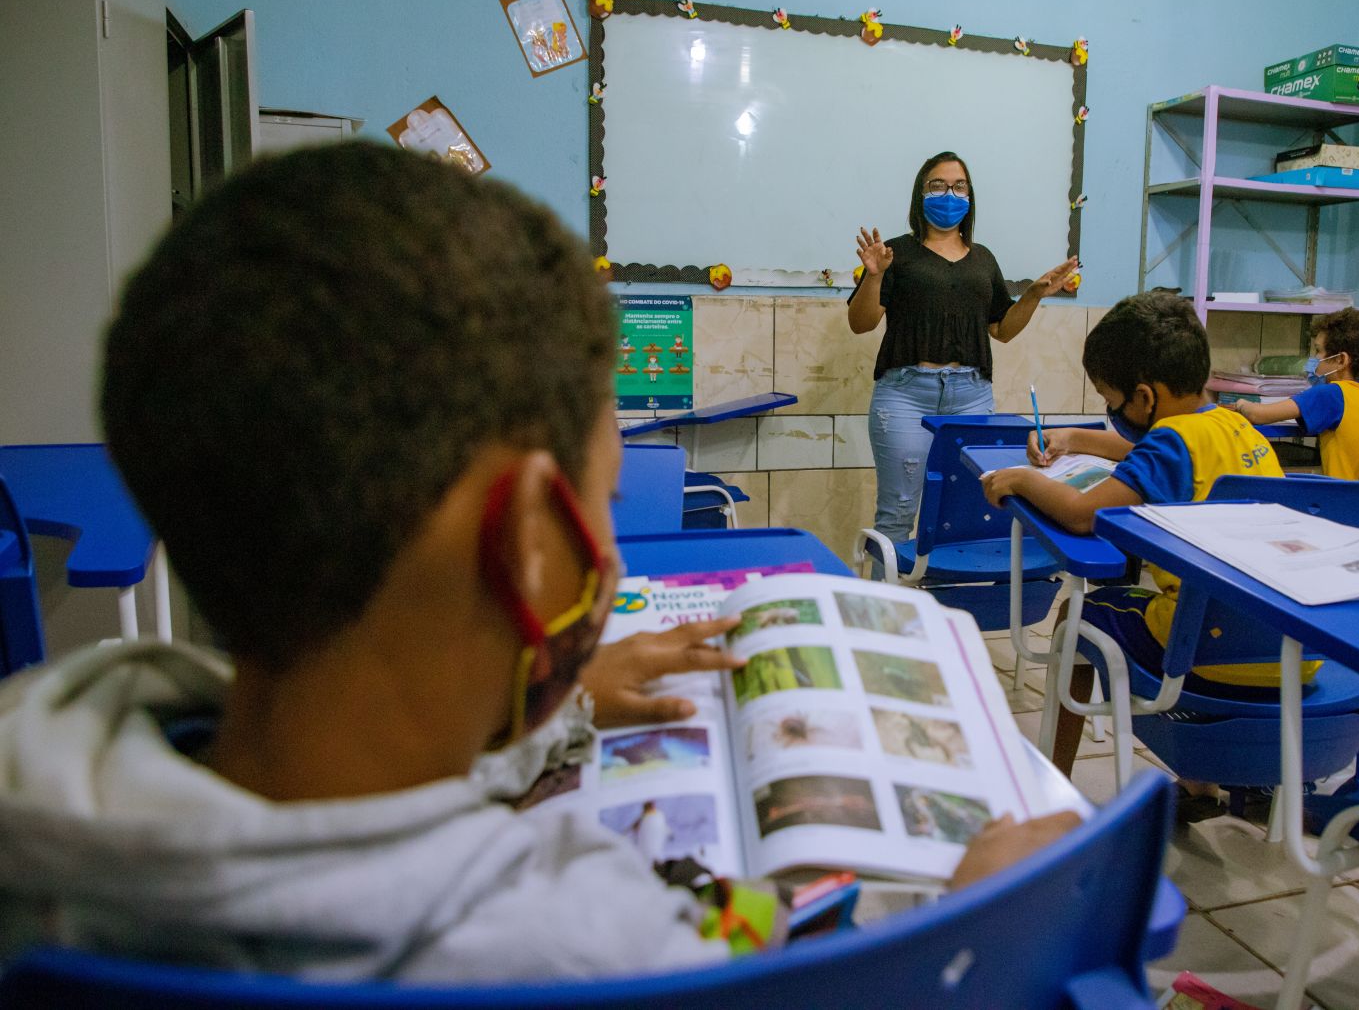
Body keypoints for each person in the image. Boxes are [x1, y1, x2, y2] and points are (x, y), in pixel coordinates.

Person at [0, 142, 1078, 983]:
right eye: (604, 497)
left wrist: (555, 713)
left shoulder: (44, 798)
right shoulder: (584, 941)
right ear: (525, 542)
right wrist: (970, 943)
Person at [980, 293, 1287, 776]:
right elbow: (1144, 450)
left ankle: (1052, 776)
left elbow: (1081, 515)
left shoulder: (1170, 443)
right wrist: (1075, 437)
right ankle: (1200, 787)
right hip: (1283, 646)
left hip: (1205, 648)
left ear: (1144, 398)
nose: (1111, 409)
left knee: (1074, 619)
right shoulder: (1237, 427)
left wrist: (1022, 479)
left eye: (1110, 400)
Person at [847, 151, 1079, 545]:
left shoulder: (983, 259)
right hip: (905, 396)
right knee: (898, 513)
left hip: (971, 396)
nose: (949, 194)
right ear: (920, 194)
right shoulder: (895, 254)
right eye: (937, 185)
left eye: (959, 186)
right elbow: (860, 323)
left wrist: (1035, 295)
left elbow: (1002, 330)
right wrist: (873, 278)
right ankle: (888, 604)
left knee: (968, 514)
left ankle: (947, 603)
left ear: (970, 197)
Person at [1226, 308, 1359, 480]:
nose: (1314, 359)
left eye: (1318, 351)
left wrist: (1240, 404)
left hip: (1344, 499)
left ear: (1341, 360)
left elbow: (1258, 415)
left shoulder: (1332, 394)